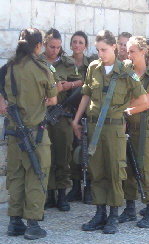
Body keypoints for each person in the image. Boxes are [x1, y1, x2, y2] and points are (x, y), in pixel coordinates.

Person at [72, 30, 147, 234]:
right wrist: (76, 121)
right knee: (96, 170)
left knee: (115, 171)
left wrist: (124, 111)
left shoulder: (125, 71)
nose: (101, 54)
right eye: (97, 50)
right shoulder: (93, 68)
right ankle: (99, 213)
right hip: (94, 126)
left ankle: (114, 214)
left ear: (114, 47)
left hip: (114, 129)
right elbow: (86, 95)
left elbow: (143, 99)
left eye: (104, 49)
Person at [1, 28, 58, 240]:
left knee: (16, 176)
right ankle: (33, 224)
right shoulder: (43, 68)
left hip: (15, 133)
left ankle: (14, 222)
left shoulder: (9, 67)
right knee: (37, 175)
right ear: (37, 46)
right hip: (36, 134)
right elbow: (52, 99)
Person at [118, 36, 149, 228]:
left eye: (133, 51)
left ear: (143, 51)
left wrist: (123, 109)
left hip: (143, 130)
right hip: (125, 127)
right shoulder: (125, 72)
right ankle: (129, 208)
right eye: (127, 51)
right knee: (127, 169)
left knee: (146, 168)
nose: (129, 55)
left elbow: (147, 102)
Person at [40, 28, 83, 212]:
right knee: (46, 156)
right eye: (51, 47)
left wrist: (69, 84)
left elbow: (82, 82)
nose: (55, 51)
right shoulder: (38, 62)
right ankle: (50, 195)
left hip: (63, 114)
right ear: (44, 45)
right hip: (43, 115)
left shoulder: (67, 63)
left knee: (63, 155)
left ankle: (62, 195)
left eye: (58, 47)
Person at [67, 30, 93, 205]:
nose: (77, 45)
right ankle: (76, 187)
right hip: (69, 112)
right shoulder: (65, 64)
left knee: (88, 150)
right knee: (72, 150)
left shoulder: (91, 64)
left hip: (87, 112)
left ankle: (89, 188)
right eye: (74, 42)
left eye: (80, 42)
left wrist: (76, 83)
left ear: (86, 45)